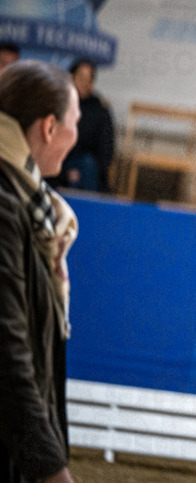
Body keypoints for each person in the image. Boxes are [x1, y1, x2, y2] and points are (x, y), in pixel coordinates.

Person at [0, 60, 81, 483]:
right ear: (49, 128)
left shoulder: (33, 208)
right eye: (74, 122)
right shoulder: (5, 205)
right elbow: (8, 355)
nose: (77, 136)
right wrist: (51, 469)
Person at [51, 59, 115, 193]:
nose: (84, 82)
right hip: (60, 166)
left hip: (89, 169)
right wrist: (65, 173)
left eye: (89, 78)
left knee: (87, 165)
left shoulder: (100, 109)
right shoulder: (58, 104)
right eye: (81, 77)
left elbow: (106, 149)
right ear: (71, 77)